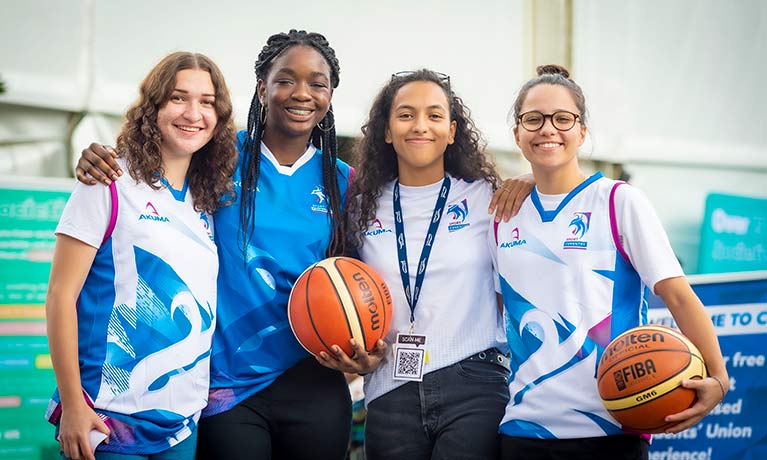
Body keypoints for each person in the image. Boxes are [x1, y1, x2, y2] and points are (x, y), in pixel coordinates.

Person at [75, 30, 353, 460]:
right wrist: (100, 156)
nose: (302, 93)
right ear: (262, 88)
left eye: (317, 83)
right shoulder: (217, 156)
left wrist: (370, 348)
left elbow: (371, 271)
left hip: (313, 380)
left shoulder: (344, 182)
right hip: (225, 387)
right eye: (285, 79)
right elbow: (157, 155)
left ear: (331, 94)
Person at [491, 64, 729, 460]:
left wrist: (719, 378)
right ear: (517, 133)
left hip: (613, 422)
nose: (547, 129)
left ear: (582, 131)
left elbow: (679, 297)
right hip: (524, 428)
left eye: (562, 119)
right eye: (533, 119)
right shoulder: (501, 215)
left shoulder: (619, 201)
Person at [45, 51, 237, 460]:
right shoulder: (107, 181)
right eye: (178, 97)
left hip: (182, 425)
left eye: (207, 102)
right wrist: (73, 405)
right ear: (152, 107)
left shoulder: (207, 202)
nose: (193, 113)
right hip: (107, 420)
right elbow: (60, 296)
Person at [318, 69, 511, 460]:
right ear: (386, 131)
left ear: (453, 130)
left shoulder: (490, 199)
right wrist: (358, 355)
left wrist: (526, 179)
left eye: (435, 115)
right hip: (390, 388)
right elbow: (352, 297)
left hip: (473, 382)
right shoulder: (360, 207)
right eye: (406, 114)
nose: (420, 125)